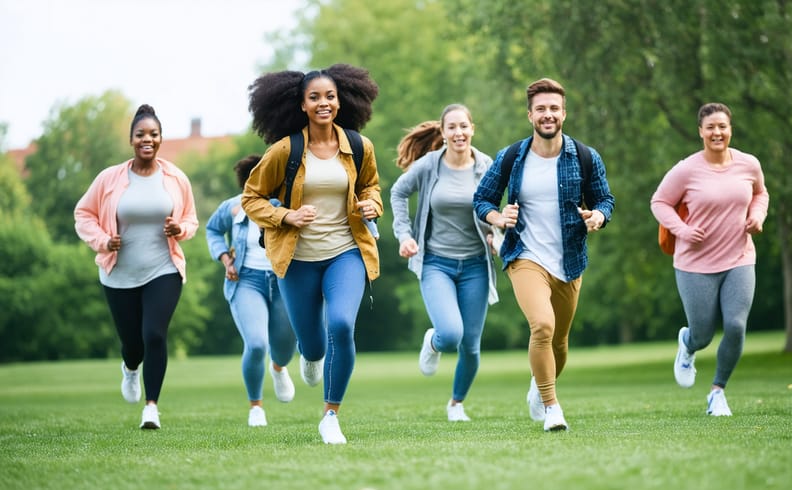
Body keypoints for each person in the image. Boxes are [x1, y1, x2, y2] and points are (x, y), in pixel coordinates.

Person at [241, 64, 381, 444]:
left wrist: (371, 205)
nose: (324, 103)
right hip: (297, 259)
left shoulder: (357, 146)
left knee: (340, 326)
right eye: (315, 97)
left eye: (330, 96)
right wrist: (287, 215)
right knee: (314, 344)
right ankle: (310, 354)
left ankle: (330, 415)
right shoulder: (284, 150)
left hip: (345, 253)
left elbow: (370, 186)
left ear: (341, 101)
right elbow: (250, 198)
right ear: (302, 104)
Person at [473, 78, 615, 432]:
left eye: (554, 108)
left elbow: (605, 200)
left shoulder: (585, 156)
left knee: (560, 342)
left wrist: (598, 216)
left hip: (569, 259)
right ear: (530, 115)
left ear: (563, 113)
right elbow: (482, 199)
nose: (548, 114)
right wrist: (497, 216)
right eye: (541, 109)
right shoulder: (512, 157)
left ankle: (539, 387)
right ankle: (552, 407)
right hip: (524, 255)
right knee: (542, 326)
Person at [74, 104, 198, 430]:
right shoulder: (109, 178)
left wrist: (179, 230)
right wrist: (103, 240)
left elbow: (190, 220)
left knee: (154, 334)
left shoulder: (175, 178)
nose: (148, 139)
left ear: (161, 138)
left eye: (154, 134)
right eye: (141, 134)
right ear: (131, 139)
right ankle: (130, 369)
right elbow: (83, 214)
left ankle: (151, 407)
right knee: (133, 344)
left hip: (164, 268)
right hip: (119, 272)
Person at [650, 102, 768, 416]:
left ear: (730, 129)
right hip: (694, 265)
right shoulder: (686, 169)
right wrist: (683, 230)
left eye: (722, 126)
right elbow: (660, 202)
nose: (717, 132)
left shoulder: (748, 164)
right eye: (711, 127)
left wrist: (757, 217)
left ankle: (717, 392)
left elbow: (760, 194)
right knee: (703, 333)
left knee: (735, 325)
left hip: (739, 257)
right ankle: (687, 344)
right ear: (701, 132)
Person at [390, 104, 498, 422]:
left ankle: (456, 403)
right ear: (443, 131)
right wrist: (404, 236)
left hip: (476, 265)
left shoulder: (487, 166)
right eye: (451, 127)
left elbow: (492, 207)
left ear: (472, 129)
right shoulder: (428, 166)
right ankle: (434, 341)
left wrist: (494, 234)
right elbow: (398, 193)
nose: (458, 133)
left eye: (463, 126)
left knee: (471, 346)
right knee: (451, 335)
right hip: (436, 263)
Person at [206, 155, 299, 427]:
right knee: (257, 344)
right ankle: (255, 406)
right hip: (246, 280)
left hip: (284, 280)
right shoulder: (233, 207)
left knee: (284, 347)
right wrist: (224, 257)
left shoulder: (285, 204)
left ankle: (279, 368)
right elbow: (212, 230)